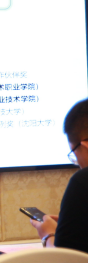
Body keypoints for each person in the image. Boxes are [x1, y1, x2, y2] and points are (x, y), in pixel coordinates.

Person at [29, 98, 88, 252]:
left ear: (85, 144)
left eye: (74, 152)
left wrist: (48, 235)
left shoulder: (83, 181)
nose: (78, 163)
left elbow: (66, 260)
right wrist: (72, 224)